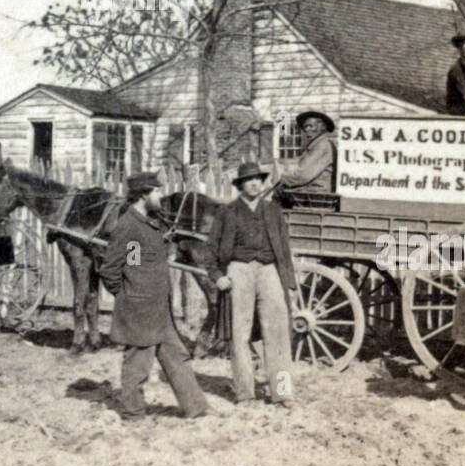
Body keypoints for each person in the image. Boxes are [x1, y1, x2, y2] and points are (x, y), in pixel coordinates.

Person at [98, 171, 208, 420]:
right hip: (140, 309)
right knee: (138, 361)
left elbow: (134, 262)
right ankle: (133, 412)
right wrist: (129, 297)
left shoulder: (146, 222)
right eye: (156, 191)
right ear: (143, 195)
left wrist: (140, 286)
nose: (160, 196)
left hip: (158, 308)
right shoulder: (128, 226)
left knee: (176, 355)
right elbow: (111, 270)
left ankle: (196, 407)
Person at [206, 162, 297, 407]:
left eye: (258, 179)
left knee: (277, 333)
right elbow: (211, 249)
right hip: (239, 271)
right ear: (241, 185)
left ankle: (283, 393)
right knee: (240, 334)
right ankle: (245, 394)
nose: (255, 183)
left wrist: (289, 283)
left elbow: (285, 250)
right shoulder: (227, 212)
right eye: (249, 180)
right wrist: (218, 276)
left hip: (269, 271)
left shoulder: (273, 211)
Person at [277, 110, 337, 193]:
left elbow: (303, 176)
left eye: (311, 126)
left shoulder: (322, 146)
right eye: (305, 127)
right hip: (309, 190)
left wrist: (282, 177)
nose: (307, 130)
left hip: (315, 194)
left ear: (322, 127)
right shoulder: (316, 144)